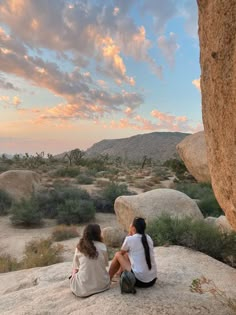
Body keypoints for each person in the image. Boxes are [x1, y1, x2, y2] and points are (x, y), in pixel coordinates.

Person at [109, 217, 157, 288]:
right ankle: (118, 274)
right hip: (152, 280)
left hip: (140, 281)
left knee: (118, 254)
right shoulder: (149, 238)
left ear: (133, 228)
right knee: (126, 254)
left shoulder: (130, 239)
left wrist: (129, 233)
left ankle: (108, 278)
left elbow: (121, 253)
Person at [70, 224, 110, 297]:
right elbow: (105, 264)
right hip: (103, 286)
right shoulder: (102, 246)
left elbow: (76, 267)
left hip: (84, 290)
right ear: (98, 234)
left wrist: (73, 275)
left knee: (74, 271)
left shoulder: (79, 247)